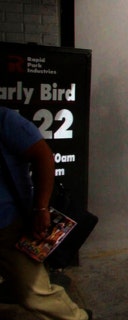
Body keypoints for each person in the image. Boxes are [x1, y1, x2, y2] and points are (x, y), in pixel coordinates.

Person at [0, 106, 92, 319]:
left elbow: (43, 156)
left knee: (34, 293)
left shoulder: (5, 119)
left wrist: (41, 208)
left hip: (8, 224)